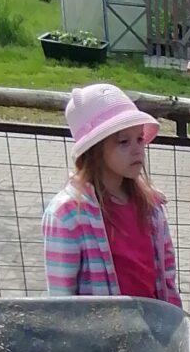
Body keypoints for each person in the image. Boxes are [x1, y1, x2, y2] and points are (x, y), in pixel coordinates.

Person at [43, 84, 180, 305]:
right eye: (123, 142)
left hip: (153, 328)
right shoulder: (67, 215)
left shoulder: (150, 205)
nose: (138, 150)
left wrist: (174, 321)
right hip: (102, 336)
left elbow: (167, 275)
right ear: (95, 149)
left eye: (139, 139)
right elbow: (61, 302)